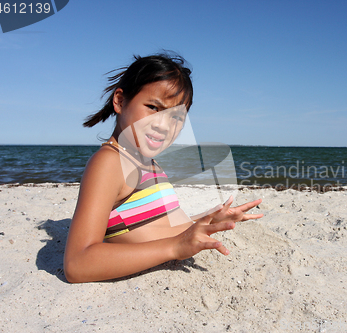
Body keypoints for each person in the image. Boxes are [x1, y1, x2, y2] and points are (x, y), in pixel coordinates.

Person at [64, 53, 263, 283]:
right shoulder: (110, 162)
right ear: (119, 101)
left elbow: (157, 223)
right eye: (153, 107)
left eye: (176, 117)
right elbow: (77, 263)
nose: (163, 124)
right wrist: (175, 248)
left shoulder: (147, 162)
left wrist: (211, 220)